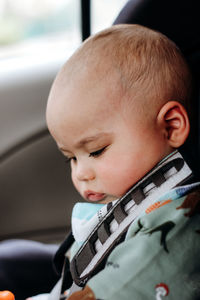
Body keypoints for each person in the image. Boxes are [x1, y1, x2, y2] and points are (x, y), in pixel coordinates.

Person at [32, 24, 200, 300]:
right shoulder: (131, 205)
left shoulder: (178, 221)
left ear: (170, 127)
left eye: (96, 151)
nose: (81, 174)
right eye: (71, 159)